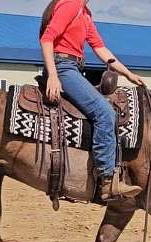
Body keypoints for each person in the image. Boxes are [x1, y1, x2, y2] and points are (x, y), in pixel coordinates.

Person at [39, 0, 144, 200]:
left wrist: (128, 74)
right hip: (63, 66)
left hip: (74, 68)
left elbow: (100, 48)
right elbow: (47, 38)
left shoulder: (85, 13)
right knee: (104, 112)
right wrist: (53, 75)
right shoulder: (71, 4)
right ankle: (106, 180)